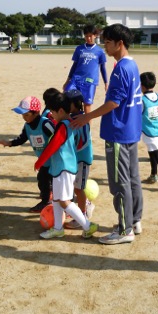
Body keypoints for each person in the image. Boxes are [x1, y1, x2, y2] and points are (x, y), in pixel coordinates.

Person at [71, 23, 143, 245]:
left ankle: (125, 229)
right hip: (130, 131)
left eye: (108, 42)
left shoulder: (121, 68)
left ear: (119, 43)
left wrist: (86, 117)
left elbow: (113, 102)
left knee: (120, 183)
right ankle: (134, 220)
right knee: (132, 180)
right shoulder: (132, 65)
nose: (105, 46)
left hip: (119, 132)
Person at [33, 93, 99, 240]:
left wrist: (40, 161)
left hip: (64, 168)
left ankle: (87, 226)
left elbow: (53, 146)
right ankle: (57, 228)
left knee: (64, 201)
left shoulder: (64, 125)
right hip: (60, 167)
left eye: (53, 112)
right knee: (57, 199)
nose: (52, 115)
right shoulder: (68, 121)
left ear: (61, 111)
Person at [0, 96, 55, 213]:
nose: (24, 117)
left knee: (53, 181)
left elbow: (58, 138)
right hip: (43, 161)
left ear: (36, 112)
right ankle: (46, 199)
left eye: (26, 115)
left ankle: (55, 202)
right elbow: (22, 138)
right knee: (42, 180)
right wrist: (9, 143)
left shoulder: (46, 124)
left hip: (55, 160)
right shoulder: (27, 126)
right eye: (22, 115)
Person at [63, 90, 95, 229]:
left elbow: (80, 142)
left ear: (74, 104)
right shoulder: (77, 116)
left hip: (81, 160)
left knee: (78, 189)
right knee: (75, 188)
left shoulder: (79, 120)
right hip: (76, 159)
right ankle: (84, 206)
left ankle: (82, 216)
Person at [63, 24, 108, 114]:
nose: (88, 38)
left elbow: (103, 68)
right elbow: (74, 66)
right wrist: (67, 80)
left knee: (87, 105)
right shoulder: (79, 49)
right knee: (66, 96)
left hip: (90, 82)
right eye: (86, 36)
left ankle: (87, 128)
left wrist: (106, 83)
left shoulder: (100, 51)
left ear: (95, 36)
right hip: (76, 79)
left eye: (90, 36)